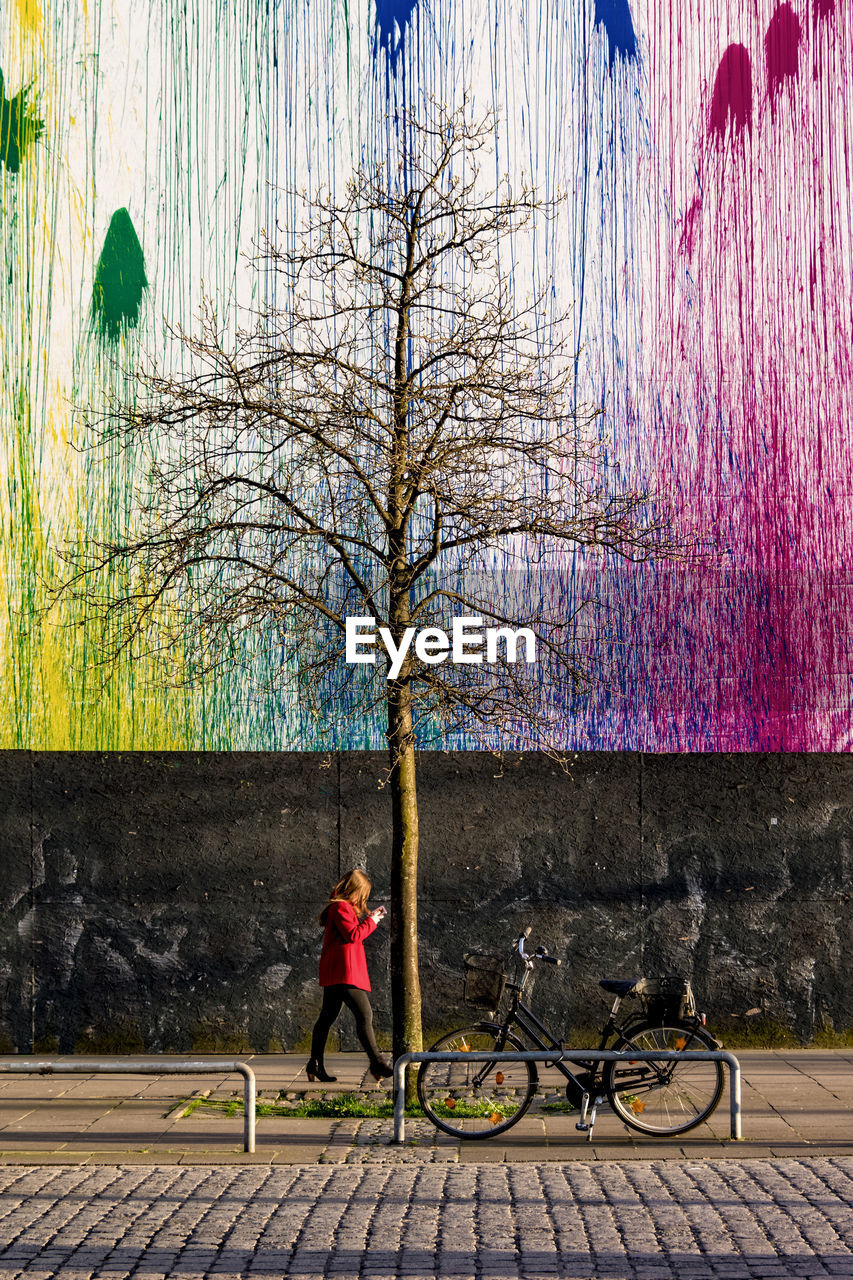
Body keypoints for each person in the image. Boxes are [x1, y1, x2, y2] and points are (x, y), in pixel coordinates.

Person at [306, 868, 393, 1083]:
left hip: (339, 971)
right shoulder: (341, 907)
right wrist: (372, 920)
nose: (364, 899)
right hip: (344, 972)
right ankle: (378, 1062)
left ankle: (314, 1064)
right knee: (364, 1016)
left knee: (326, 1018)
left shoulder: (340, 908)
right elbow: (353, 935)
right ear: (356, 891)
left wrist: (370, 919)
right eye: (363, 894)